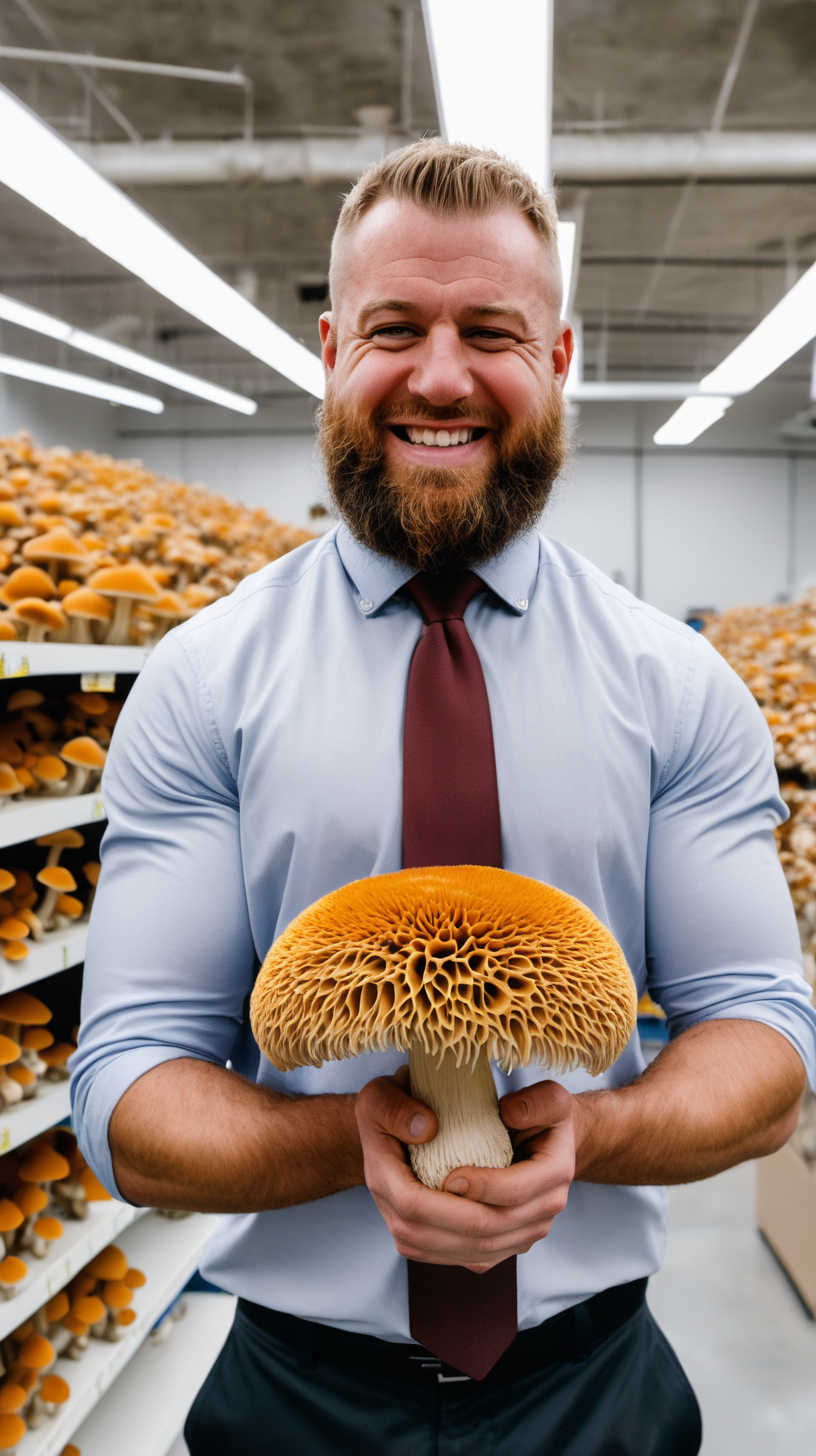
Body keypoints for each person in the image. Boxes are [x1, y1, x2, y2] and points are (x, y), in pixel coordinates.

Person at [71, 140, 815, 1456]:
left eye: (493, 331)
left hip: (598, 1392)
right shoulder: (201, 683)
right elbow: (127, 1086)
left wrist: (594, 1129)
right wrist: (346, 1140)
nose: (440, 375)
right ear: (330, 348)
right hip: (296, 1396)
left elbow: (763, 1045)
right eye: (395, 328)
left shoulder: (677, 684)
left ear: (562, 359)